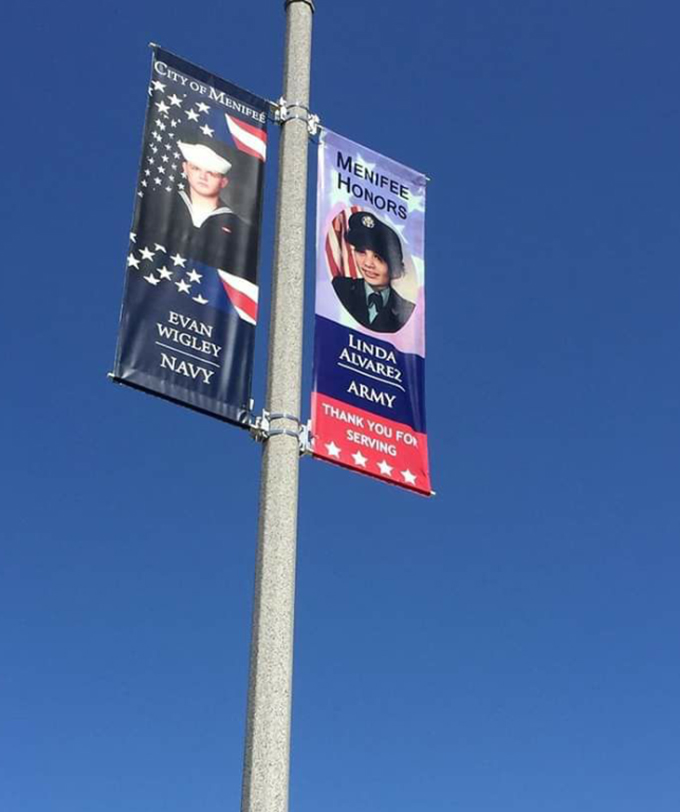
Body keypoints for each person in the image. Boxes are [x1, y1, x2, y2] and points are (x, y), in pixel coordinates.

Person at [135, 133, 256, 275]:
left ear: (223, 182)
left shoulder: (240, 229)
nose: (203, 177)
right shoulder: (157, 206)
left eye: (212, 173)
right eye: (196, 168)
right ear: (185, 168)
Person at [332, 212, 415, 333]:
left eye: (378, 257)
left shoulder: (407, 311)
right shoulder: (340, 288)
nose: (368, 263)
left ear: (395, 266)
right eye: (361, 252)